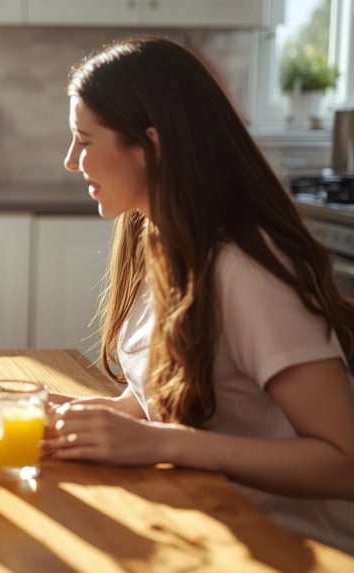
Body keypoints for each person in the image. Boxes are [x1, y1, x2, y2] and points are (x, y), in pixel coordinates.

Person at [46, 36, 354, 553]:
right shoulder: (160, 238)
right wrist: (95, 416)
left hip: (292, 548)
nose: (71, 162)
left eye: (84, 139)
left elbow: (345, 463)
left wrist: (161, 443)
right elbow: (176, 399)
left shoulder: (248, 271)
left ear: (150, 145)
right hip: (207, 524)